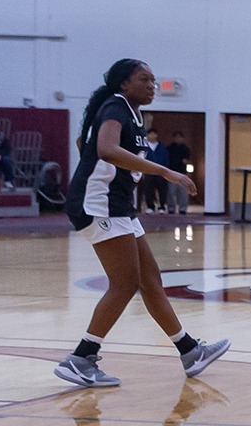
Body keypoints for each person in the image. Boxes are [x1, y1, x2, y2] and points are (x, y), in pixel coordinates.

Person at [54, 59, 228, 389]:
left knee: (150, 280)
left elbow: (87, 145)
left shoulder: (132, 114)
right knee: (125, 284)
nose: (151, 85)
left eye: (153, 79)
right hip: (99, 204)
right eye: (143, 79)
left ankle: (190, 352)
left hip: (117, 204)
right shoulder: (116, 106)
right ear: (124, 84)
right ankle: (80, 359)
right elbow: (105, 149)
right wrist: (164, 171)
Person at [140, 129, 170, 213]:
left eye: (154, 134)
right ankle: (150, 207)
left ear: (157, 135)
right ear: (147, 136)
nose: (152, 136)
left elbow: (166, 159)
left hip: (161, 172)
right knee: (148, 190)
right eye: (150, 134)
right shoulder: (145, 147)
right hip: (148, 172)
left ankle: (162, 207)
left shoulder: (162, 147)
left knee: (162, 190)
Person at [164, 131, 193, 213]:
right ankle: (171, 208)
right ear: (173, 138)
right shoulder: (169, 148)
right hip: (171, 172)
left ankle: (183, 208)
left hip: (182, 172)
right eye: (176, 137)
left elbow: (186, 161)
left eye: (179, 137)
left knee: (183, 192)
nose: (178, 139)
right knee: (171, 192)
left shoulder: (186, 149)